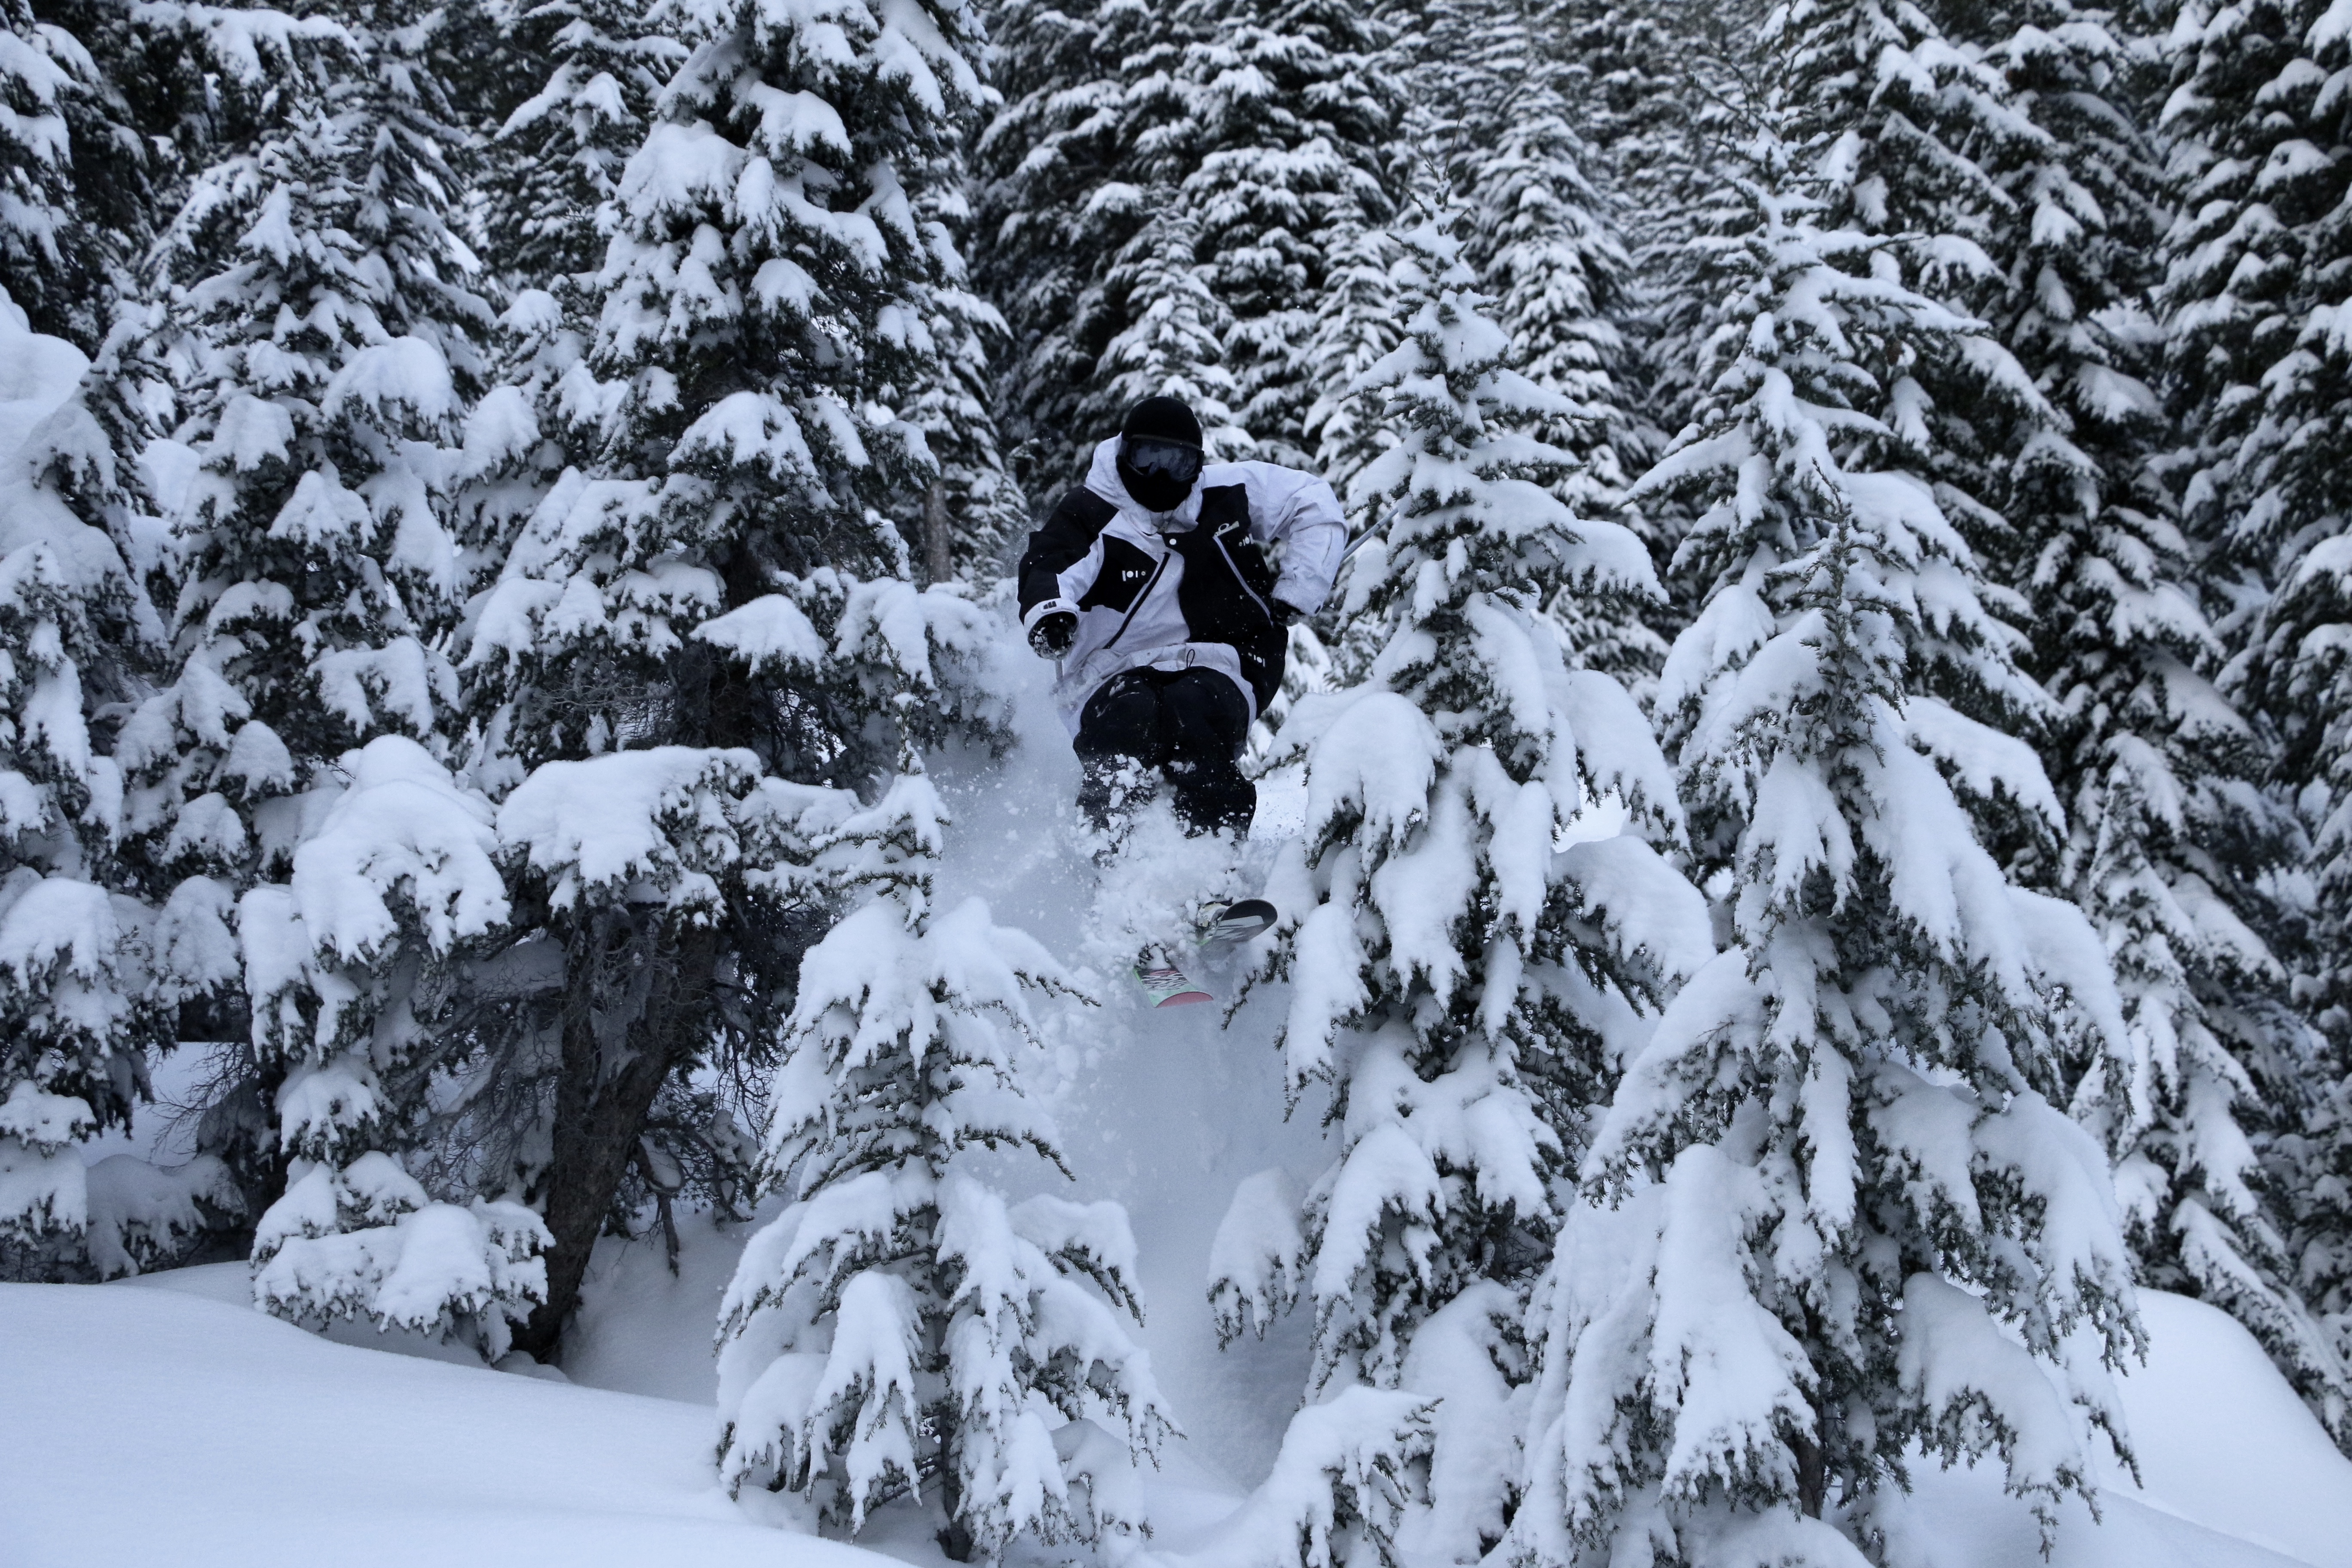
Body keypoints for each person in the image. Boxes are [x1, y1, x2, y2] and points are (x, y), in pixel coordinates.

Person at [1020, 394, 1347, 839]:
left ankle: (1211, 860)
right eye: (1148, 457)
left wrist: (1298, 589)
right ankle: (1111, 855)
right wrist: (1051, 616)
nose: (1159, 475)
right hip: (1110, 668)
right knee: (1127, 717)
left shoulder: (1225, 493)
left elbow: (1311, 500)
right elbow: (1051, 563)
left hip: (1227, 658)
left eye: (1176, 463)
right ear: (1124, 453)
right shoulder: (1094, 511)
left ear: (1196, 465)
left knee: (1195, 713)